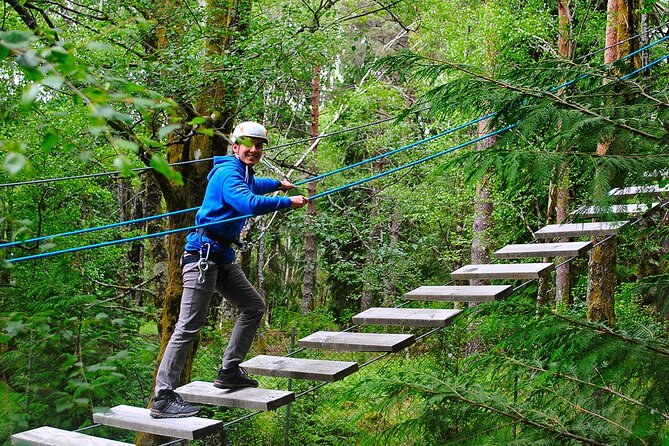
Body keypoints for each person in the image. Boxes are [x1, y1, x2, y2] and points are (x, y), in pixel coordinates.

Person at [150, 121, 308, 418]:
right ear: (235, 146)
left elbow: (253, 186)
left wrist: (276, 184)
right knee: (188, 327)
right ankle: (162, 397)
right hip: (202, 256)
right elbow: (245, 201)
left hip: (220, 256)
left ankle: (229, 370)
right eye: (249, 144)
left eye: (260, 145)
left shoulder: (242, 172)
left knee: (253, 306)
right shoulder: (226, 172)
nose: (254, 150)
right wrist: (287, 201)